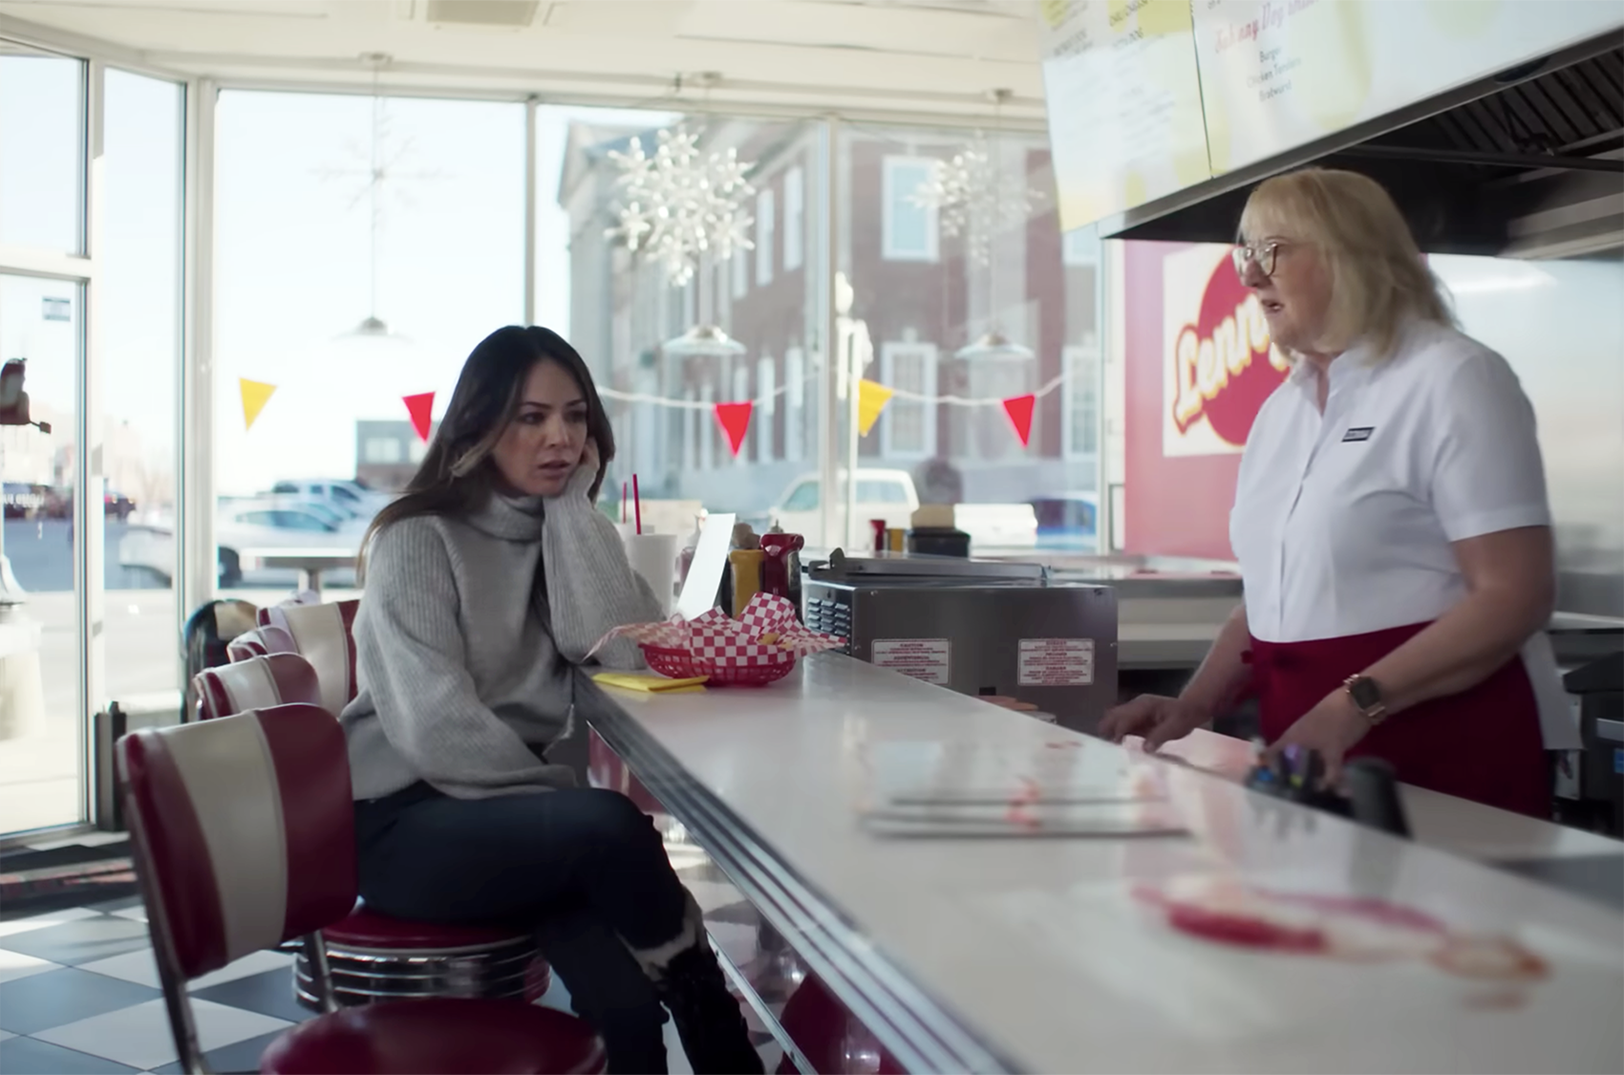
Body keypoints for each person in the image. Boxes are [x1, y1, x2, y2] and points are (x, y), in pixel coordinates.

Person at [340, 325, 763, 1073]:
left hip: (512, 819)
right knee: (605, 824)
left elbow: (619, 647)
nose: (558, 437)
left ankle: (694, 1003)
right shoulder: (418, 537)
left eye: (574, 416)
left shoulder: (564, 529)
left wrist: (573, 510)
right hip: (404, 824)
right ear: (479, 424)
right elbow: (436, 726)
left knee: (628, 1017)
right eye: (531, 418)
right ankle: (718, 1030)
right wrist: (564, 808)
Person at [1100, 168, 1573, 817]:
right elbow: (1271, 598)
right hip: (1312, 747)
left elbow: (1514, 596)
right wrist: (1196, 702)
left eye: (1269, 252)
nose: (1249, 278)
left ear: (1348, 253)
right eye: (1244, 254)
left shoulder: (1454, 377)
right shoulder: (1281, 410)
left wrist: (1353, 705)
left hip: (1444, 744)